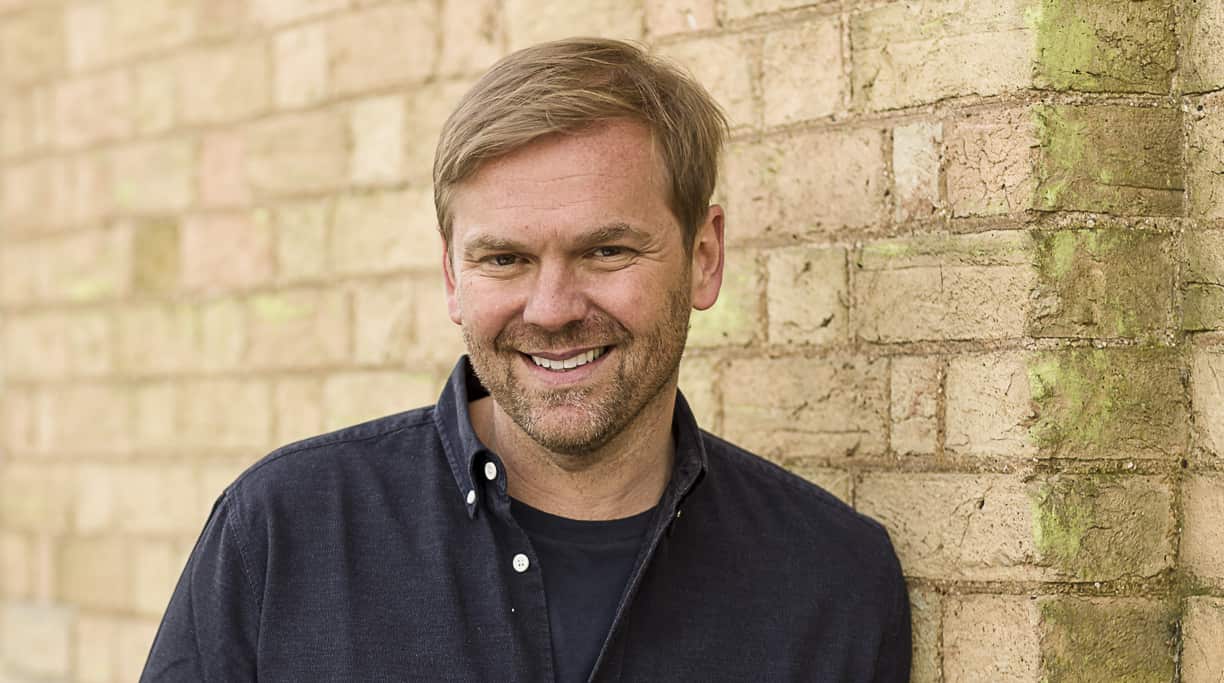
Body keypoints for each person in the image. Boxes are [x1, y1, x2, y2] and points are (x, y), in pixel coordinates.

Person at [142, 38, 911, 682]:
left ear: (703, 256)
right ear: (452, 276)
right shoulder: (283, 531)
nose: (552, 308)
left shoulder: (831, 579)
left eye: (606, 250)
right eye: (504, 259)